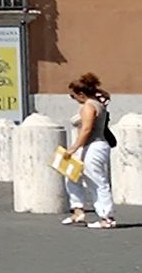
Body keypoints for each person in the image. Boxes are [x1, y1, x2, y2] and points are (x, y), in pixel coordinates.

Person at [65, 73, 118, 228]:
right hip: (89, 145)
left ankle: (106, 217)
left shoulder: (90, 106)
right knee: (71, 176)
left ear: (81, 94)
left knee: (96, 181)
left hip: (93, 146)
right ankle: (77, 209)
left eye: (73, 96)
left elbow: (87, 128)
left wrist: (74, 147)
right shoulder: (96, 104)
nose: (73, 99)